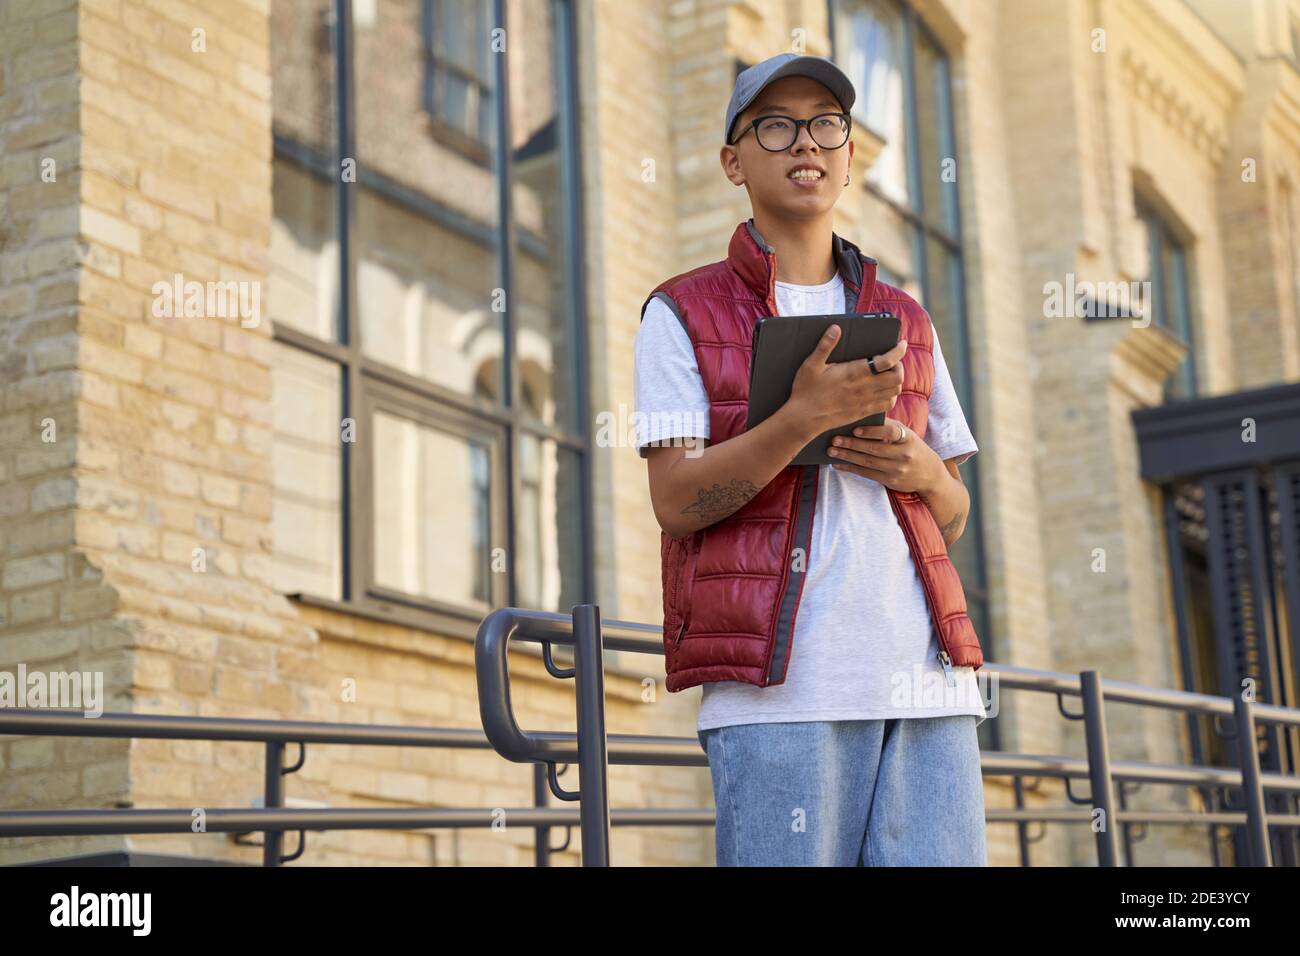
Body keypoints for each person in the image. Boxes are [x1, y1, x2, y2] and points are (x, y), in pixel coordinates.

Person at [633, 53, 989, 866]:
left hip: (929, 693)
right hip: (779, 702)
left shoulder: (905, 316)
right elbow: (677, 502)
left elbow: (956, 512)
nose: (809, 143)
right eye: (778, 125)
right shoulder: (679, 311)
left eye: (828, 125)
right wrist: (801, 420)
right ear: (734, 161)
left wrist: (921, 472)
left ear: (849, 153)